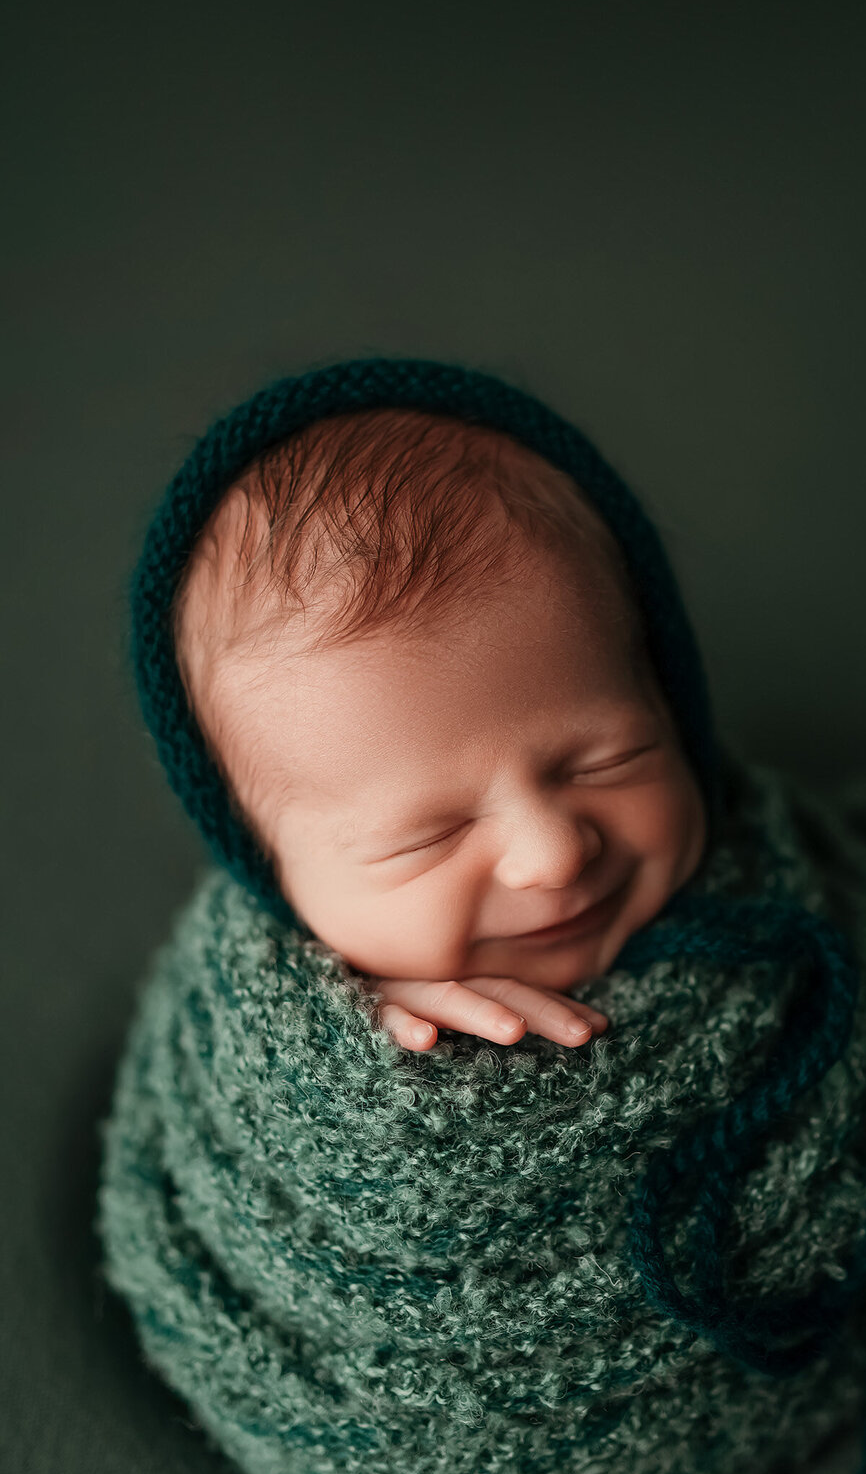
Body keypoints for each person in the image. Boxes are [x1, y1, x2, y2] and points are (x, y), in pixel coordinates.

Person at [171, 406, 709, 1052]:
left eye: (608, 761)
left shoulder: (812, 907)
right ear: (270, 872)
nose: (553, 854)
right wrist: (335, 1037)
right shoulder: (246, 1032)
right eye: (428, 837)